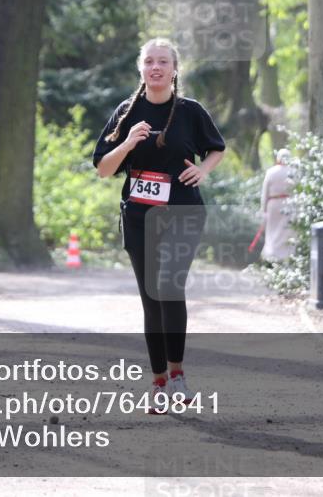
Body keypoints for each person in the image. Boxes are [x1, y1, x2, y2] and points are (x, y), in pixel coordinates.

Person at [92, 37, 226, 415]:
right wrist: (127, 144)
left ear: (174, 69)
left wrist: (203, 170)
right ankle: (159, 382)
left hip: (182, 212)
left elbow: (216, 147)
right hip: (139, 218)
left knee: (169, 286)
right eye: (149, 61)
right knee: (151, 300)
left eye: (163, 61)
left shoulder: (190, 111)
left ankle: (178, 374)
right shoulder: (126, 112)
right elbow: (103, 168)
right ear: (141, 68)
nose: (156, 67)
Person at [260, 148, 295, 261]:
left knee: (272, 231)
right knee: (286, 231)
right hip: (289, 204)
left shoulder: (271, 172)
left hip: (273, 204)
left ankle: (271, 255)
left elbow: (265, 192)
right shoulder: (293, 171)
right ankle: (286, 256)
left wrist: (263, 210)